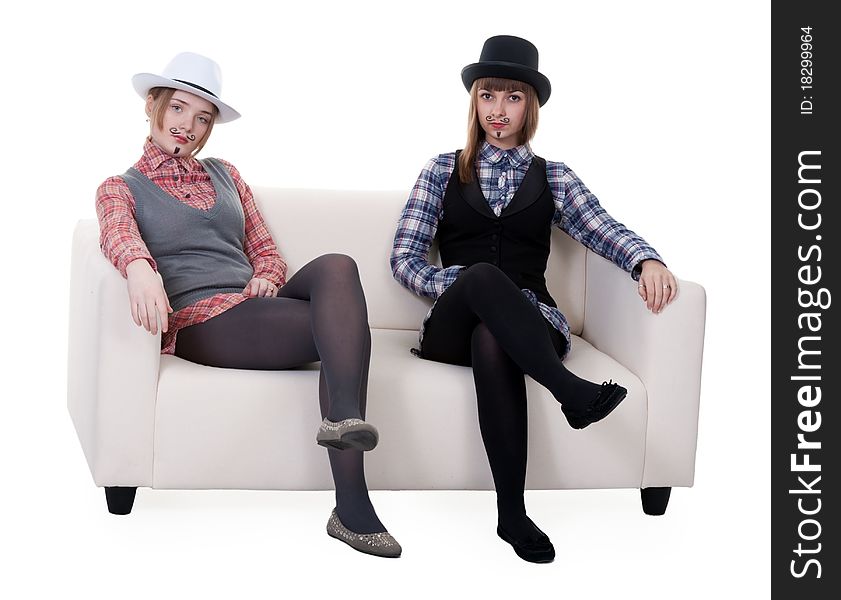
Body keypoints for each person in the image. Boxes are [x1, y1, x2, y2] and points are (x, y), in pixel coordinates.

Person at [96, 52, 400, 558]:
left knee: (337, 266)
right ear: (153, 107)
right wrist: (139, 267)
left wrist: (265, 276)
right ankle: (353, 504)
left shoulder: (226, 174)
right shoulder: (120, 188)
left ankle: (341, 423)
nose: (188, 126)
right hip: (203, 321)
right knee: (345, 332)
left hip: (256, 307)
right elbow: (117, 234)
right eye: (178, 109)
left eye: (202, 117)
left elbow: (265, 251)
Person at [390, 35, 677, 563]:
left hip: (531, 322)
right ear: (474, 102)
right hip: (450, 328)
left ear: (531, 106)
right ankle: (571, 392)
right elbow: (404, 260)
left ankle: (511, 514)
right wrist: (464, 283)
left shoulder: (555, 177)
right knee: (479, 279)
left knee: (493, 337)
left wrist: (646, 259)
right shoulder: (440, 169)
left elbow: (600, 228)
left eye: (513, 98)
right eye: (487, 96)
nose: (498, 111)